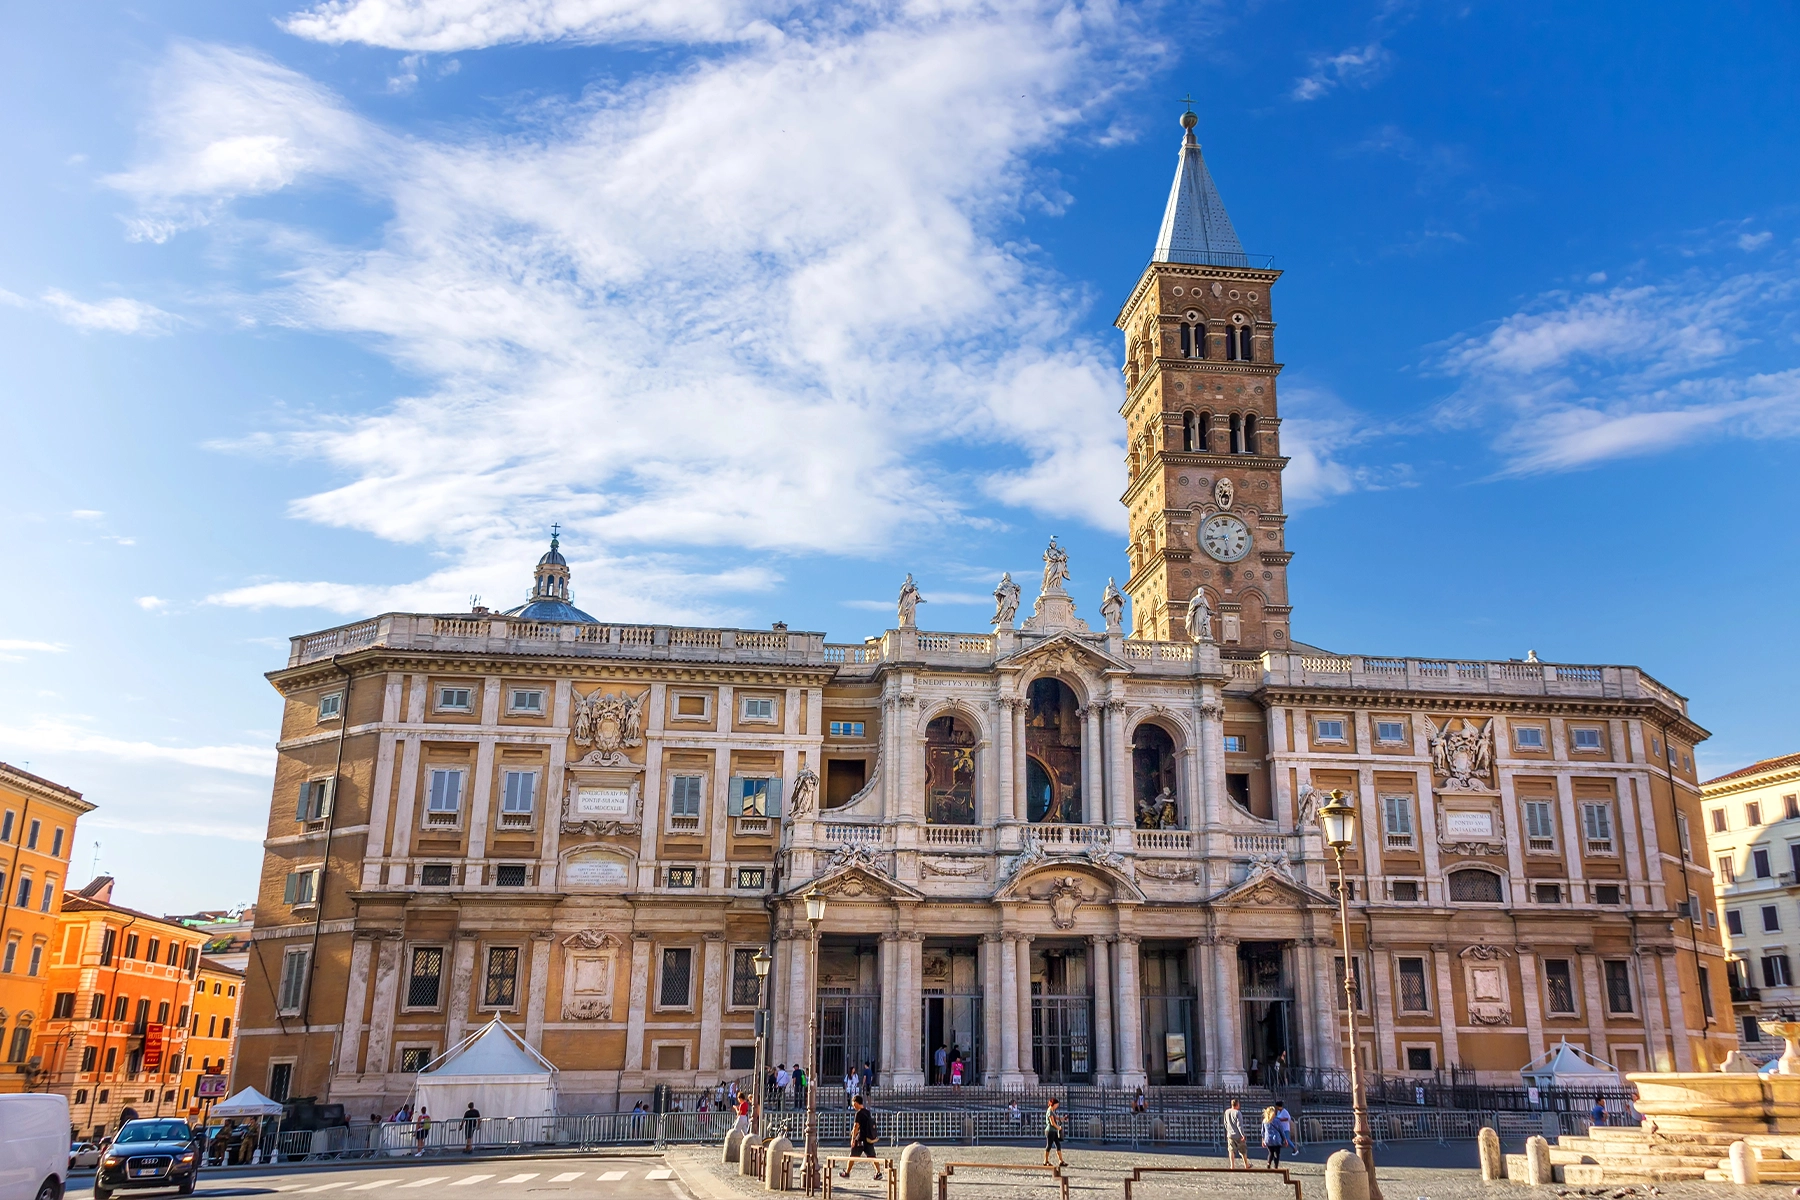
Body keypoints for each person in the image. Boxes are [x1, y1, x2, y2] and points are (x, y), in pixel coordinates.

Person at [840, 1095, 883, 1180]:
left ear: (856, 1103)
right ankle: (878, 1172)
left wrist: (853, 1138)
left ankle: (847, 1172)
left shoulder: (858, 1113)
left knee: (852, 1156)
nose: (853, 1106)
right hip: (868, 1138)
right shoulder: (867, 1112)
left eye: (853, 1104)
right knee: (872, 1156)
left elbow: (856, 1126)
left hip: (860, 1138)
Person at [1223, 1099, 1249, 1170]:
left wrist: (1228, 1130)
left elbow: (1225, 1123)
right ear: (1237, 1104)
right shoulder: (1238, 1113)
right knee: (1243, 1150)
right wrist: (1242, 1134)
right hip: (1238, 1135)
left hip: (1230, 1134)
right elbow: (1239, 1125)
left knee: (1231, 1150)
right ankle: (1246, 1165)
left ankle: (1232, 1166)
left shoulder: (1227, 1112)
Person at [1043, 1098, 1067, 1168]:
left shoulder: (1052, 1111)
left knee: (1058, 1145)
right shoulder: (1050, 1111)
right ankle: (1045, 1161)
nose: (1057, 1106)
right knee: (1049, 1146)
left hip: (1053, 1131)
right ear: (1054, 1104)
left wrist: (1063, 1118)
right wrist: (1058, 1128)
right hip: (1050, 1131)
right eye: (1057, 1105)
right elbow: (1052, 1123)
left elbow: (1056, 1118)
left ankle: (1061, 1161)